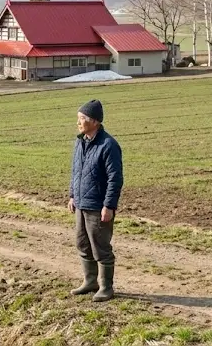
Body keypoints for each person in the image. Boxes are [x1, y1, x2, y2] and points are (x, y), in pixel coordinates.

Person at [67, 99, 123, 302]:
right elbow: (76, 171)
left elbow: (115, 179)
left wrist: (109, 206)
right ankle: (90, 281)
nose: (78, 122)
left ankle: (106, 287)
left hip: (98, 206)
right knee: (82, 244)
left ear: (95, 121)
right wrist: (72, 195)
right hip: (81, 204)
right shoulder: (80, 142)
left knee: (101, 247)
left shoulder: (108, 145)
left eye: (82, 118)